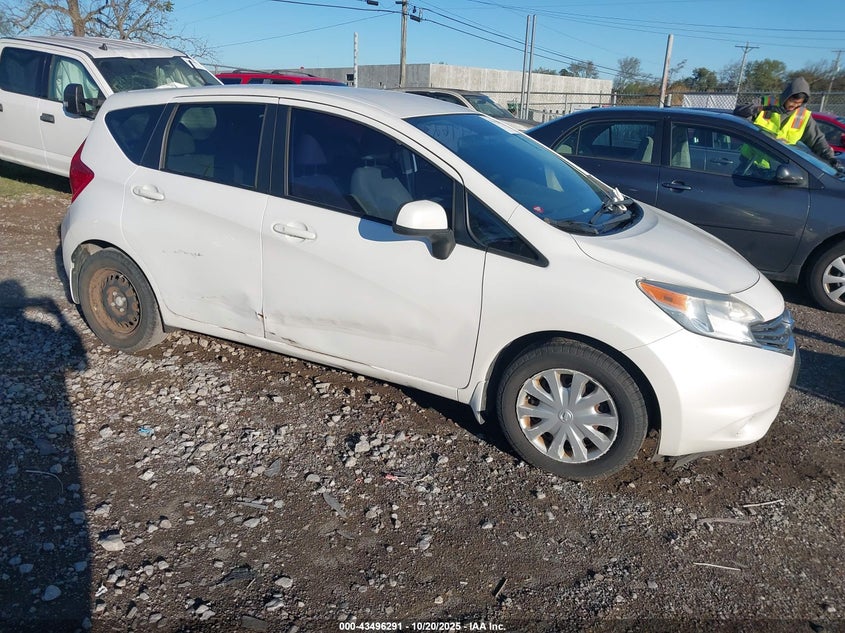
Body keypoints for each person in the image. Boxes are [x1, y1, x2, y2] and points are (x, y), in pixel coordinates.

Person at [733, 76, 844, 173]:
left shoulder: (803, 116)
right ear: (786, 96)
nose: (794, 106)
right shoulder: (766, 102)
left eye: (798, 103)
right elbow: (739, 111)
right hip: (749, 164)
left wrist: (831, 159)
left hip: (779, 170)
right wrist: (763, 108)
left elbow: (817, 141)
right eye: (792, 101)